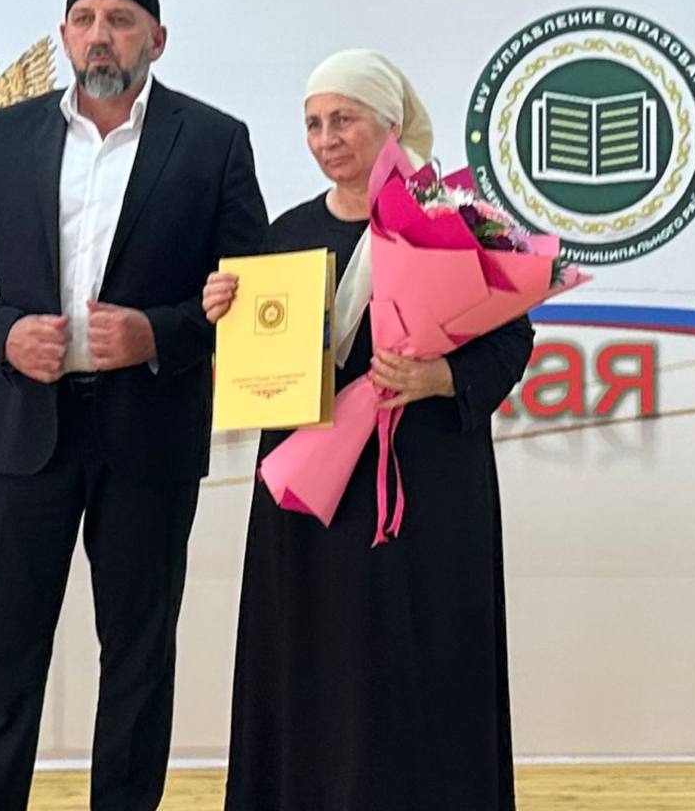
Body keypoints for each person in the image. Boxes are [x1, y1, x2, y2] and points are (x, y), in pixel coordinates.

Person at [0, 0, 268, 811]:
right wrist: (3, 333)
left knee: (139, 664)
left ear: (157, 39)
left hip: (149, 434)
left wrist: (160, 333)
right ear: (64, 37)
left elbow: (256, 291)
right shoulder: (8, 134)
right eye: (83, 19)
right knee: (2, 662)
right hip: (24, 435)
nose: (100, 35)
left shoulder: (214, 141)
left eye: (120, 19)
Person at [203, 49, 533, 811]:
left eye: (343, 119)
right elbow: (262, 367)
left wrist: (440, 377)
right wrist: (225, 316)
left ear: (390, 123)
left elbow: (513, 337)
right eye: (314, 124)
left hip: (425, 489)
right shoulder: (284, 234)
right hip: (311, 493)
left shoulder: (458, 218)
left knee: (422, 657)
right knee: (312, 660)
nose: (327, 139)